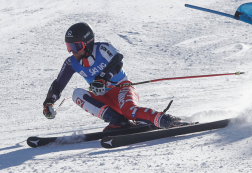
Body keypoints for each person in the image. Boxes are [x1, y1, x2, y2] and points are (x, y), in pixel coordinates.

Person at [43, 22, 181, 131]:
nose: (73, 52)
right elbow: (58, 84)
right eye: (69, 47)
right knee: (76, 94)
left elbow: (117, 60)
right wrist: (49, 101)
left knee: (129, 111)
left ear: (88, 42)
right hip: (105, 99)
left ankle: (165, 120)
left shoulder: (102, 49)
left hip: (122, 89)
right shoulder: (70, 63)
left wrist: (103, 78)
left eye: (76, 46)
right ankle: (118, 121)